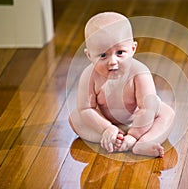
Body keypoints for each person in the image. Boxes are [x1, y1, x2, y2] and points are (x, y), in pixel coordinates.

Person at [69, 11, 175, 157]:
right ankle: (111, 138)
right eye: (103, 55)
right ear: (89, 55)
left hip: (140, 120)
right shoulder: (89, 76)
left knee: (166, 113)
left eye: (120, 52)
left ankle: (143, 142)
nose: (112, 61)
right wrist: (106, 128)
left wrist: (134, 134)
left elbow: (147, 108)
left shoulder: (140, 72)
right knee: (75, 118)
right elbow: (86, 108)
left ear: (133, 49)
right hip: (105, 122)